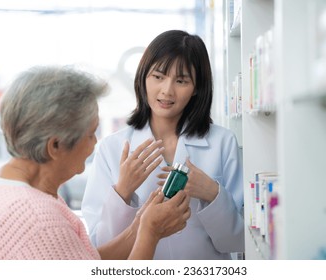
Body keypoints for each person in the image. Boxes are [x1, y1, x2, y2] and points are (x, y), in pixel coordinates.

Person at [0, 65, 191, 260]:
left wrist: (139, 226)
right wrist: (150, 233)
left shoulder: (3, 186)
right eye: (90, 134)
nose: (95, 142)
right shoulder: (39, 221)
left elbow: (82, 260)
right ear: (55, 146)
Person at [82, 30, 244, 260]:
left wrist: (211, 192)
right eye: (158, 76)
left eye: (181, 81)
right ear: (143, 77)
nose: (167, 90)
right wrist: (123, 191)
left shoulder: (223, 143)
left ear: (197, 87)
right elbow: (102, 249)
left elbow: (236, 241)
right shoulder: (112, 148)